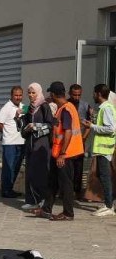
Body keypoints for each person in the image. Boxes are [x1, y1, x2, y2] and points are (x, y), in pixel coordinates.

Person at [33, 81, 84, 221]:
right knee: (53, 181)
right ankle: (46, 209)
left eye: (51, 93)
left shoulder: (66, 109)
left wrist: (62, 153)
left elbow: (67, 131)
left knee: (66, 184)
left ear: (54, 94)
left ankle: (68, 213)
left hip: (65, 154)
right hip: (59, 153)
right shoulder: (65, 107)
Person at [82, 84, 116, 216]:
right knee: (101, 176)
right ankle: (108, 203)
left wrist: (92, 126)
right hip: (103, 148)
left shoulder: (106, 108)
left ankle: (109, 206)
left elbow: (110, 129)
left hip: (104, 148)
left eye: (94, 93)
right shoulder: (105, 108)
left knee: (105, 176)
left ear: (99, 94)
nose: (93, 95)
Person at [19, 83, 54, 212]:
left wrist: (36, 126)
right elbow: (24, 126)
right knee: (30, 172)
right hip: (30, 144)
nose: (31, 95)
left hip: (41, 145)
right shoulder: (29, 109)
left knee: (41, 172)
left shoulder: (44, 106)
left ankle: (43, 200)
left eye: (33, 93)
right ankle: (31, 200)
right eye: (29, 93)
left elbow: (50, 125)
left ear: (38, 92)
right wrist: (22, 122)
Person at [0, 86, 26, 199]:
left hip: (21, 142)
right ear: (11, 96)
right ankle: (6, 191)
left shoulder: (23, 107)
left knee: (16, 167)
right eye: (16, 95)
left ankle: (10, 189)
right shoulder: (6, 107)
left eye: (20, 95)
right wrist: (6, 133)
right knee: (8, 167)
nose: (18, 97)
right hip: (9, 143)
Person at [68, 84, 92, 201]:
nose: (76, 97)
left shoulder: (85, 106)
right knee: (67, 168)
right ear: (69, 93)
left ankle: (77, 192)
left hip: (79, 142)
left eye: (79, 95)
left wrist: (83, 139)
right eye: (74, 95)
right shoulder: (66, 104)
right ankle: (65, 191)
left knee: (78, 168)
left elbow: (89, 125)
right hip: (67, 142)